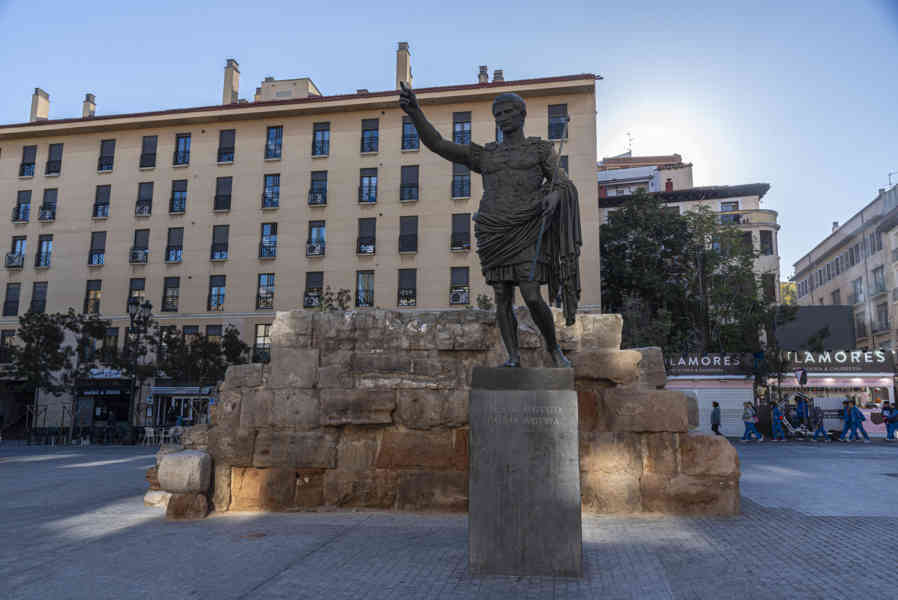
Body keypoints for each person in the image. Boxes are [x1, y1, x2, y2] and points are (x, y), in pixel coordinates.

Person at [399, 82, 582, 368]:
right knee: (501, 296)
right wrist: (415, 113)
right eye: (497, 113)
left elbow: (562, 181)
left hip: (526, 227)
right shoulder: (487, 155)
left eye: (508, 111)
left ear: (522, 115)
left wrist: (556, 195)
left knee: (532, 295)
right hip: (493, 229)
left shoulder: (540, 149)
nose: (503, 117)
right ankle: (512, 357)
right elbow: (438, 144)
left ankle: (553, 348)